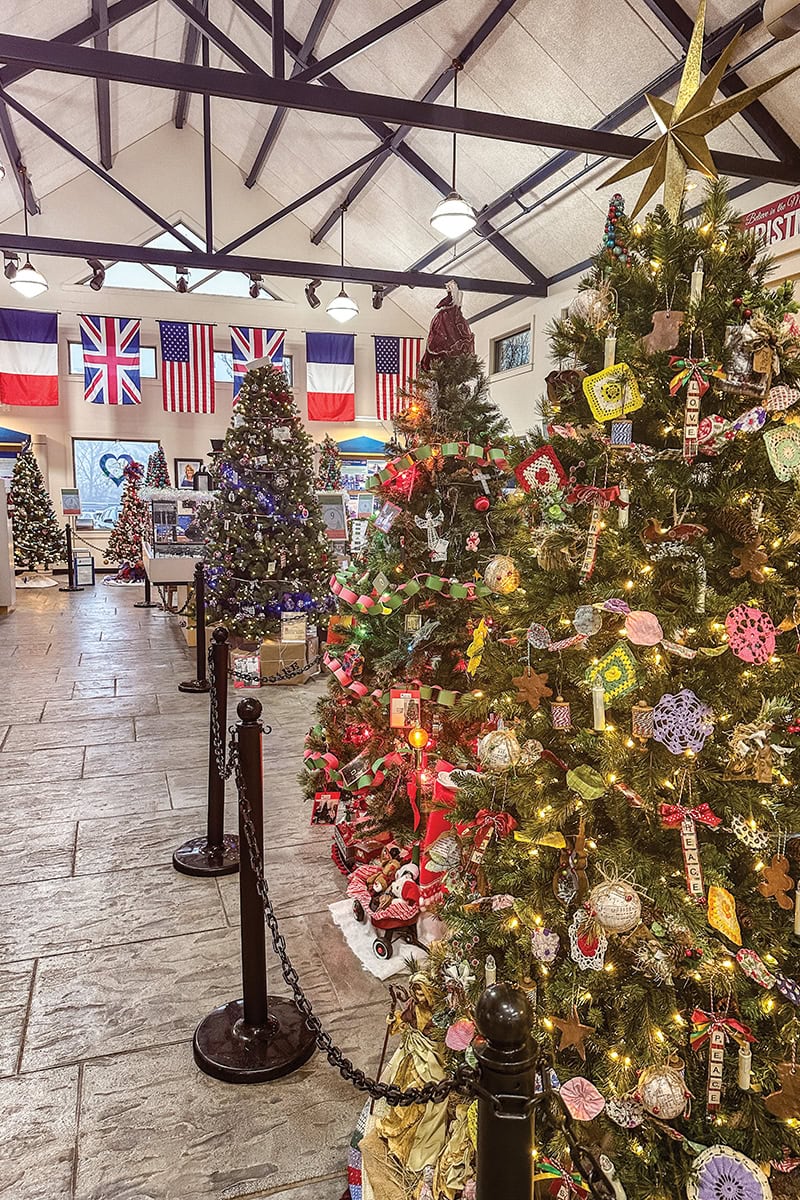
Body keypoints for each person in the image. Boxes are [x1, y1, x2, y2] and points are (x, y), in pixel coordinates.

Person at [420, 281, 475, 371]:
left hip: (449, 320)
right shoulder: (446, 313)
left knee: (451, 334)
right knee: (444, 336)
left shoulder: (451, 311)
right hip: (447, 320)